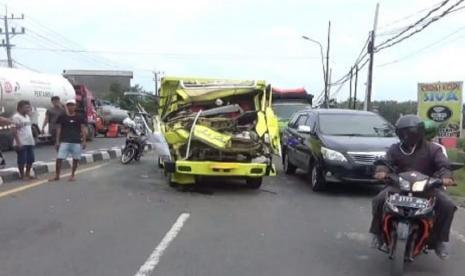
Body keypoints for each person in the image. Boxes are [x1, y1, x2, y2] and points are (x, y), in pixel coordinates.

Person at [370, 114, 457, 259]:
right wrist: (381, 171)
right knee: (378, 200)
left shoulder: (433, 149)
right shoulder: (394, 149)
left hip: (427, 187)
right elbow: (385, 162)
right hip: (399, 186)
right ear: (398, 133)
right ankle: (377, 234)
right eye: (403, 132)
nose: (407, 136)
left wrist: (446, 176)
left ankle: (439, 241)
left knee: (448, 205)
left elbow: (443, 165)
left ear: (419, 132)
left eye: (410, 132)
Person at [49, 99, 87, 182]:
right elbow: (59, 129)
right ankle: (57, 175)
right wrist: (57, 141)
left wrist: (84, 141)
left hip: (76, 141)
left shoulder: (79, 117)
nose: (71, 107)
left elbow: (83, 129)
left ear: (75, 106)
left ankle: (72, 175)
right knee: (59, 159)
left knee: (76, 159)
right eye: (69, 105)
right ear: (67, 106)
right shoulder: (62, 117)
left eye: (72, 105)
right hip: (64, 141)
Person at [11, 100, 36, 180]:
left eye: (29, 107)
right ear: (20, 108)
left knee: (31, 159)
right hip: (21, 142)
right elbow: (14, 130)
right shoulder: (16, 117)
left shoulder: (27, 117)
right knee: (22, 159)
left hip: (29, 141)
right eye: (26, 107)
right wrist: (18, 142)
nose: (28, 109)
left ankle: (27, 174)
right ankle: (22, 175)